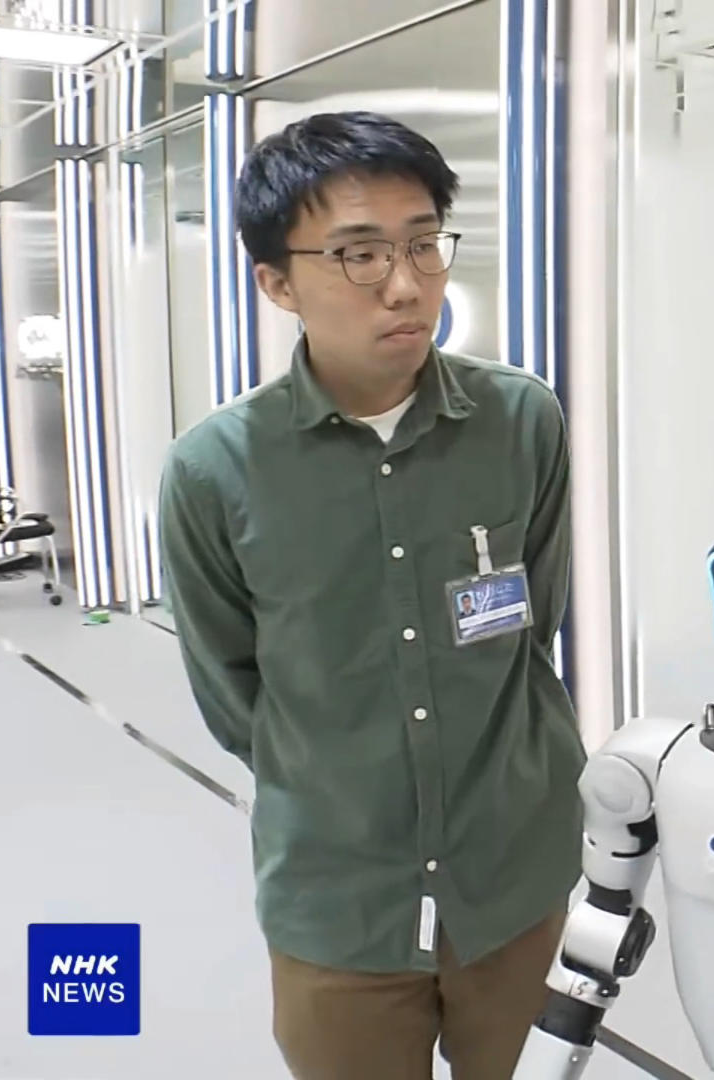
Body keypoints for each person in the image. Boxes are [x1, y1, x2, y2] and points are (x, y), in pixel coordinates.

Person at [157, 111, 584, 1080]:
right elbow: (233, 695)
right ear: (276, 282)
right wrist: (346, 779)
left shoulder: (521, 421)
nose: (406, 284)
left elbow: (536, 623)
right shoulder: (215, 471)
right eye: (359, 254)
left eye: (424, 244)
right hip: (337, 904)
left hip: (514, 882)